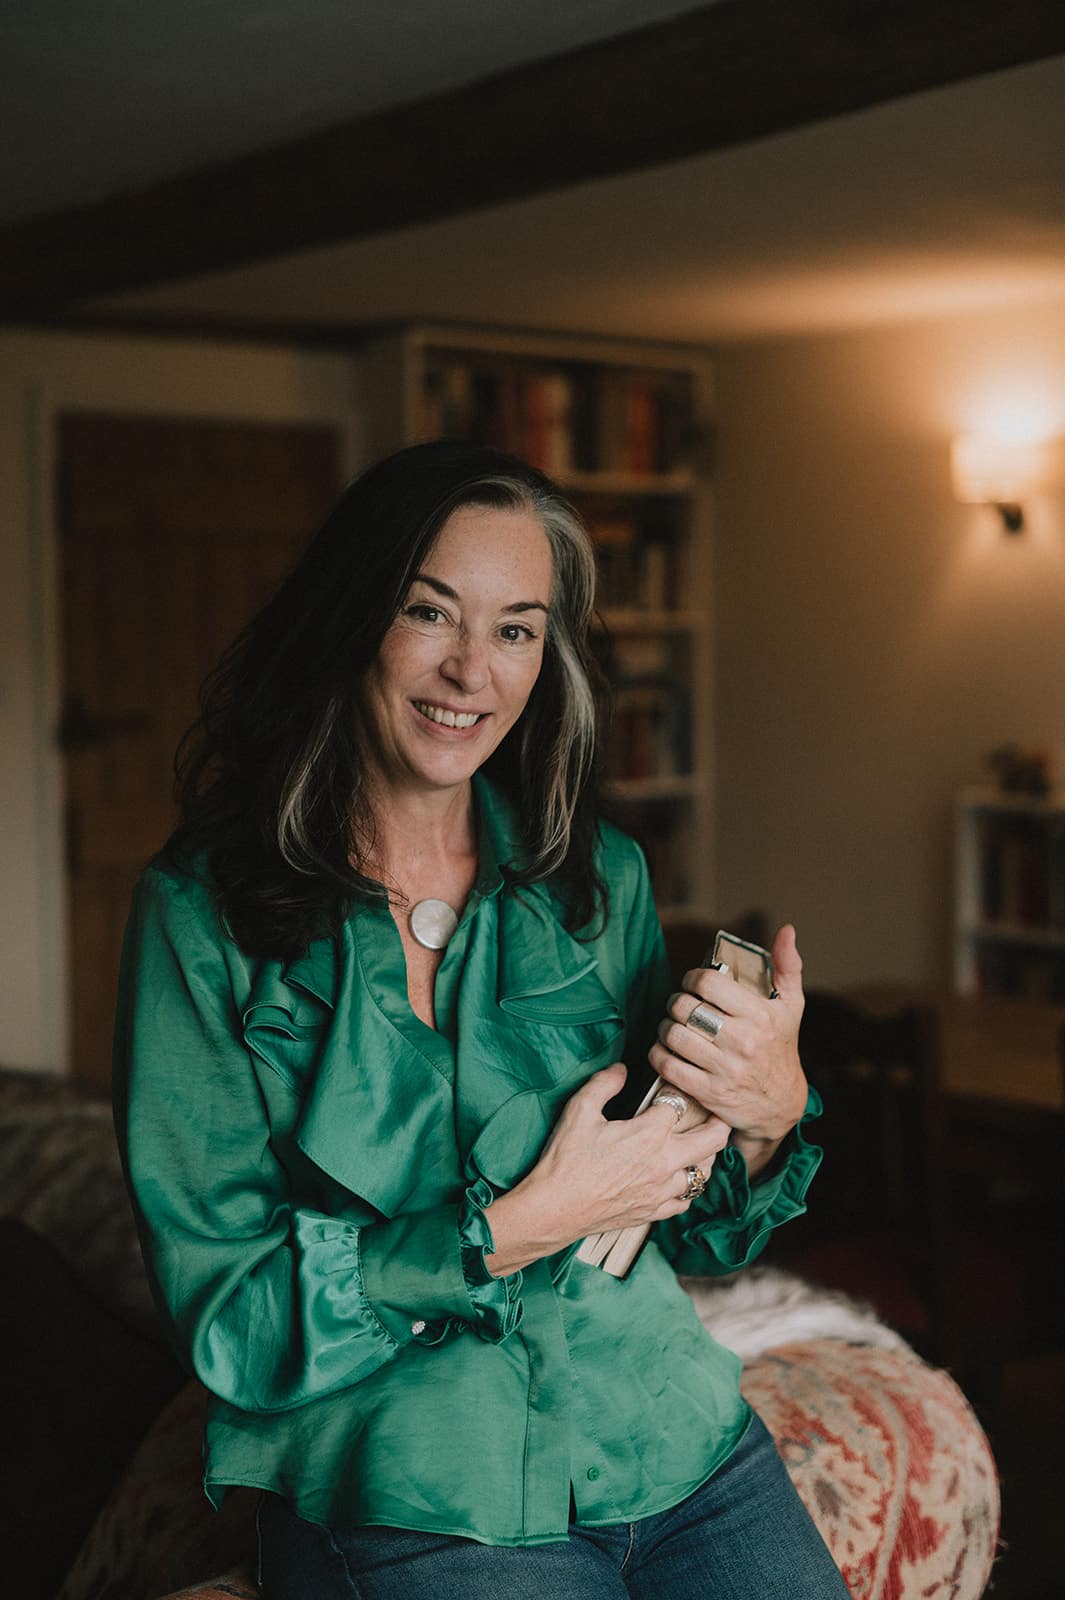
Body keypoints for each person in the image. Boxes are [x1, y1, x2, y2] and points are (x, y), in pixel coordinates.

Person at [112, 440, 848, 1599]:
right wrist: (511, 1225)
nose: (470, 671)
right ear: (356, 617)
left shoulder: (597, 878)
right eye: (428, 611)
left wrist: (762, 1115)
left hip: (674, 1439)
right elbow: (233, 1315)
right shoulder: (197, 915)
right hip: (412, 1482)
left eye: (515, 629)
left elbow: (684, 1224)